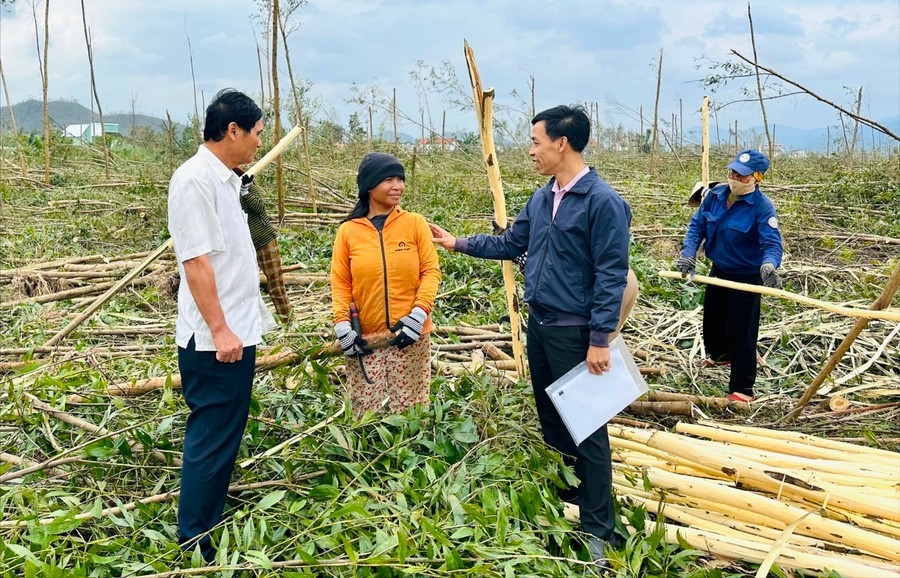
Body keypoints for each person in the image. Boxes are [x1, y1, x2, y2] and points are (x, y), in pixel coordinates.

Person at [430, 105, 635, 568]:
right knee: (551, 418)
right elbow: (510, 243)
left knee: (588, 429)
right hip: (539, 325)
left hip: (575, 331)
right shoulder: (544, 198)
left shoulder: (603, 202)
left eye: (536, 142)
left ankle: (599, 529)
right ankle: (566, 497)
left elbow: (611, 274)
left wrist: (600, 338)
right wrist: (458, 243)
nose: (530, 151)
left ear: (561, 143)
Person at [167, 88, 276, 563]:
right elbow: (195, 263)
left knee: (225, 431)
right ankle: (196, 539)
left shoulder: (226, 180)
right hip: (217, 340)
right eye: (255, 134)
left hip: (236, 330)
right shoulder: (194, 180)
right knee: (211, 434)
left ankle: (209, 516)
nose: (258, 142)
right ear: (232, 130)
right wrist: (222, 329)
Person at [330, 152, 441, 416]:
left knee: (411, 413)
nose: (398, 186)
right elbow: (341, 283)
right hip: (365, 337)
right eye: (389, 179)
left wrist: (418, 315)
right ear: (369, 185)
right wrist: (343, 325)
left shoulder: (414, 224)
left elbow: (430, 271)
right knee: (364, 415)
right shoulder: (348, 231)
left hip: (411, 334)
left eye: (400, 179)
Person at [676, 149, 784, 403]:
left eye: (742, 176)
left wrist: (769, 266)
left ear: (757, 178)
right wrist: (689, 252)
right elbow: (697, 225)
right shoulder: (715, 195)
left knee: (741, 331)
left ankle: (742, 388)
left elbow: (772, 244)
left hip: (746, 277)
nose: (735, 178)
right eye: (732, 172)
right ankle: (720, 356)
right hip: (720, 270)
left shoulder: (762, 208)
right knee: (712, 322)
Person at [233, 166, 292, 323]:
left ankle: (288, 321)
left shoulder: (251, 190)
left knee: (275, 285)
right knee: (247, 286)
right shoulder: (229, 194)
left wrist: (245, 191)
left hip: (264, 241)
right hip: (245, 246)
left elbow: (259, 208)